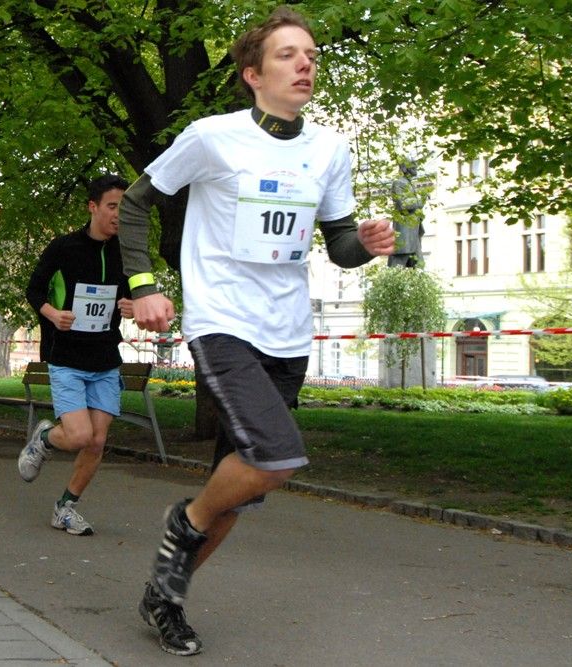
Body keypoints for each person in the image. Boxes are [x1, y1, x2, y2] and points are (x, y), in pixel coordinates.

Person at [117, 6, 396, 656]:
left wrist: (368, 243)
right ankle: (181, 522)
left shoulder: (330, 150)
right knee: (276, 454)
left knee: (236, 492)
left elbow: (339, 242)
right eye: (287, 54)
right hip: (223, 322)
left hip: (288, 333)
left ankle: (166, 596)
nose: (305, 63)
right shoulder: (211, 137)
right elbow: (136, 202)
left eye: (312, 55)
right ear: (251, 73)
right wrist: (143, 285)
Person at [17, 174, 134, 536]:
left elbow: (135, 295)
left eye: (123, 208)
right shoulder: (64, 247)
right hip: (67, 358)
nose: (118, 214)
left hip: (104, 360)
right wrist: (53, 314)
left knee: (97, 441)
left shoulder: (126, 252)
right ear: (93, 207)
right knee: (80, 436)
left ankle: (65, 508)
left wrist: (132, 305)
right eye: (112, 206)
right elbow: (34, 290)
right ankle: (44, 438)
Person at [387, 159, 427, 268]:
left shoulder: (410, 185)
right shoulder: (399, 183)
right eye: (413, 165)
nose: (416, 167)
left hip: (413, 229)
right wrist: (420, 201)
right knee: (398, 264)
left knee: (419, 264)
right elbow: (402, 204)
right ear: (405, 168)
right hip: (404, 229)